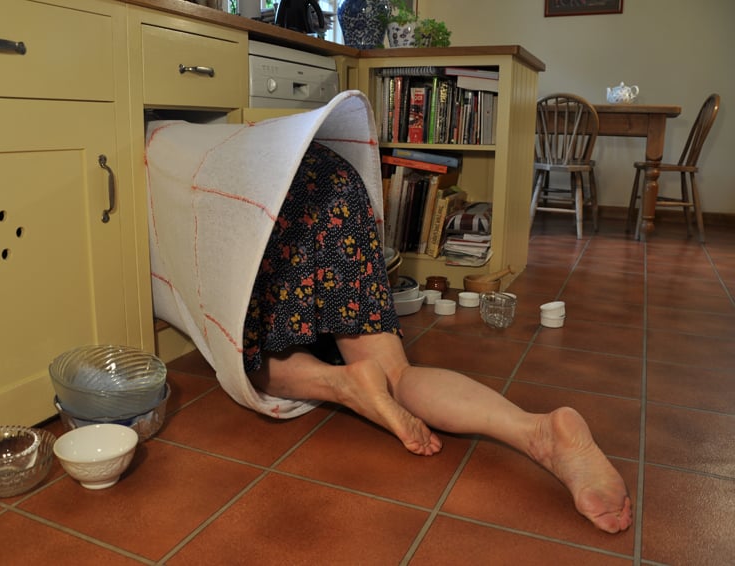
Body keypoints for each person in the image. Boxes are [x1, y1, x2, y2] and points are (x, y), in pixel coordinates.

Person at [242, 141, 632, 534]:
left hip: (269, 192)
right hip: (331, 178)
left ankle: (341, 383)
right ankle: (534, 432)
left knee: (248, 358)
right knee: (395, 372)